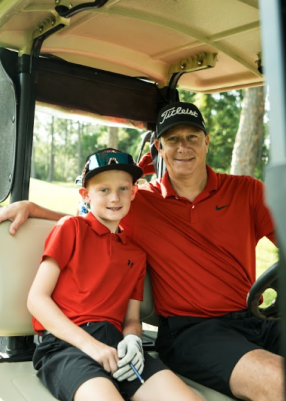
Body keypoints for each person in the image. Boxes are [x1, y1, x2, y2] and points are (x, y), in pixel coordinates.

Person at [0, 103, 286, 400]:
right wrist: (32, 207)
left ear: (205, 140)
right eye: (171, 140)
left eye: (191, 137)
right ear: (159, 149)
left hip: (255, 320)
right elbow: (92, 216)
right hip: (195, 331)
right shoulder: (140, 202)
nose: (182, 147)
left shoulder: (247, 191)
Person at [27, 148, 202, 401]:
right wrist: (91, 346)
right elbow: (36, 300)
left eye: (123, 189)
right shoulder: (71, 228)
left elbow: (131, 318)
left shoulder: (136, 254)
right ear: (86, 195)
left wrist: (133, 340)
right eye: (104, 190)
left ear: (133, 192)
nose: (115, 198)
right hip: (68, 345)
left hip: (118, 346)